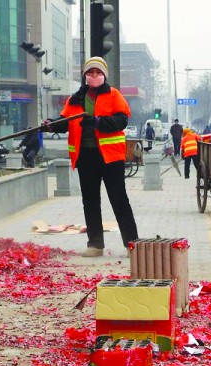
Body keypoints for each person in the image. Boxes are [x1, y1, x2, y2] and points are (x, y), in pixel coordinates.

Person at [42, 56, 138, 257]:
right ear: (85, 75)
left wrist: (96, 122)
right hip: (85, 157)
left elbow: (121, 121)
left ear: (104, 75)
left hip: (111, 158)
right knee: (91, 201)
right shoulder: (75, 99)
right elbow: (66, 121)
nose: (94, 76)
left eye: (98, 72)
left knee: (119, 200)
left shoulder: (114, 95)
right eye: (90, 72)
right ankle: (95, 244)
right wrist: (51, 124)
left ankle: (132, 243)